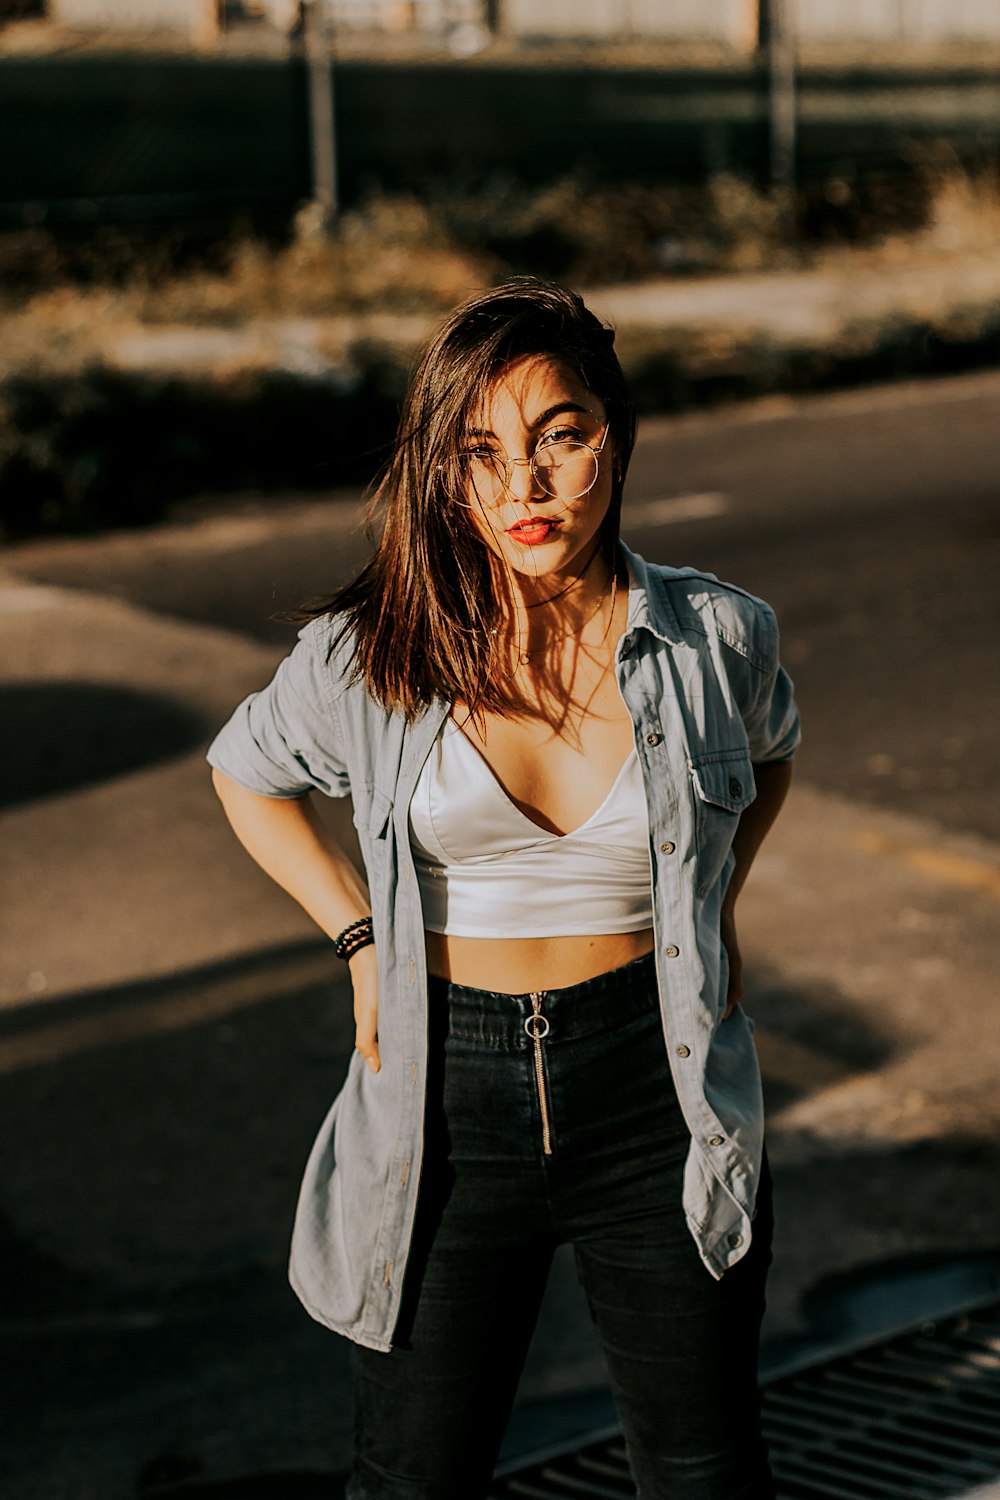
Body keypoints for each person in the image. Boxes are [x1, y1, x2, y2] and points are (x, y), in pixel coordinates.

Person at [207, 277, 800, 1500]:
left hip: (655, 1084)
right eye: (479, 452)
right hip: (443, 1102)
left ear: (615, 438)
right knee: (416, 1479)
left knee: (704, 1474)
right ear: (441, 471)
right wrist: (361, 940)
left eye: (558, 438)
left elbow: (771, 747)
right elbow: (245, 774)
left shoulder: (714, 639)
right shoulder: (373, 650)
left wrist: (717, 903)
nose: (522, 489)